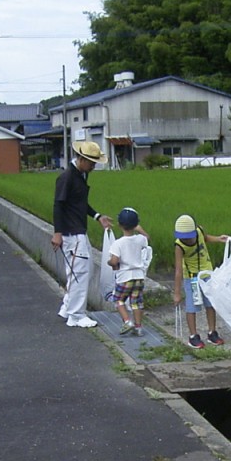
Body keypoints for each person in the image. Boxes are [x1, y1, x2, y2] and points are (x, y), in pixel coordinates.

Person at [52, 141, 111, 328]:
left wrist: (97, 216)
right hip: (71, 232)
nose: (93, 167)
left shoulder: (80, 175)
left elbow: (80, 204)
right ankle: (76, 315)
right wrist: (58, 233)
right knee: (80, 273)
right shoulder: (67, 177)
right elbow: (58, 205)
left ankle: (68, 307)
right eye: (92, 163)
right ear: (82, 159)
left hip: (77, 229)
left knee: (81, 271)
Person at [172, 213, 229, 349]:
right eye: (183, 238)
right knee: (191, 307)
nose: (187, 240)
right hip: (191, 277)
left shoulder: (199, 231)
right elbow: (178, 271)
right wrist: (177, 293)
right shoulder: (179, 246)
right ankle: (193, 336)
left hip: (207, 274)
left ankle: (212, 332)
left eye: (189, 237)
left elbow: (205, 238)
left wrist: (218, 239)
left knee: (210, 304)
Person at [107, 207, 151, 337]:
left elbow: (114, 261)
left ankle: (127, 321)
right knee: (136, 302)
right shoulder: (140, 239)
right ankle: (138, 327)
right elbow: (147, 238)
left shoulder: (118, 243)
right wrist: (139, 229)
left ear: (119, 225)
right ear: (135, 224)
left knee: (119, 300)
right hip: (139, 276)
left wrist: (109, 262)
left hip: (124, 277)